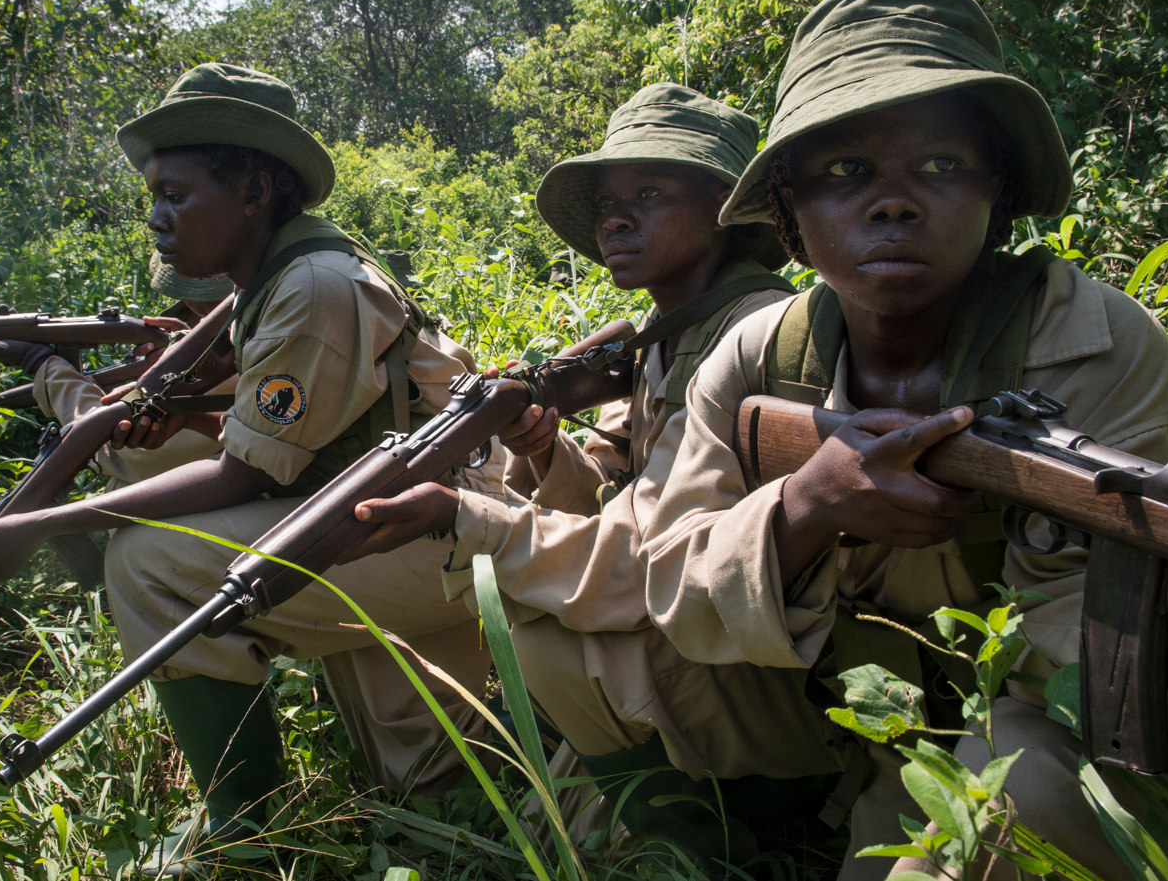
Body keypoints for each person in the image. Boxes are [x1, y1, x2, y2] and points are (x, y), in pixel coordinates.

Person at [629, 0, 1168, 878]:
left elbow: (1080, 634)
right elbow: (672, 576)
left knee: (1002, 805)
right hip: (845, 709)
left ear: (997, 188)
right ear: (787, 204)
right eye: (846, 171)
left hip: (1030, 724)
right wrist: (807, 504)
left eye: (939, 166)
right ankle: (688, 828)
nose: (892, 202)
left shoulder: (1090, 339)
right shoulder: (757, 355)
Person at [0, 63, 496, 875]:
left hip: (444, 527)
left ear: (254, 190)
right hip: (379, 500)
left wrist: (39, 521)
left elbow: (239, 475)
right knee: (418, 776)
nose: (158, 219)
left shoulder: (312, 285)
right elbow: (219, 427)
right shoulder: (272, 276)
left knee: (149, 563)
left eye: (177, 194)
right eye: (153, 199)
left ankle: (246, 836)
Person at [354, 83, 838, 862]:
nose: (616, 217)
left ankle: (711, 842)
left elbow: (636, 559)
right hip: (712, 630)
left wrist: (465, 518)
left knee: (545, 630)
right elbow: (616, 495)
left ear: (725, 205)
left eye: (649, 193)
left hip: (787, 668)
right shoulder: (665, 334)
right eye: (610, 200)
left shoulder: (748, 334)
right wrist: (544, 445)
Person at [0, 255, 235, 488]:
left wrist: (41, 362)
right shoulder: (249, 327)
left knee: (124, 488)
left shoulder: (239, 360)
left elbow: (121, 449)